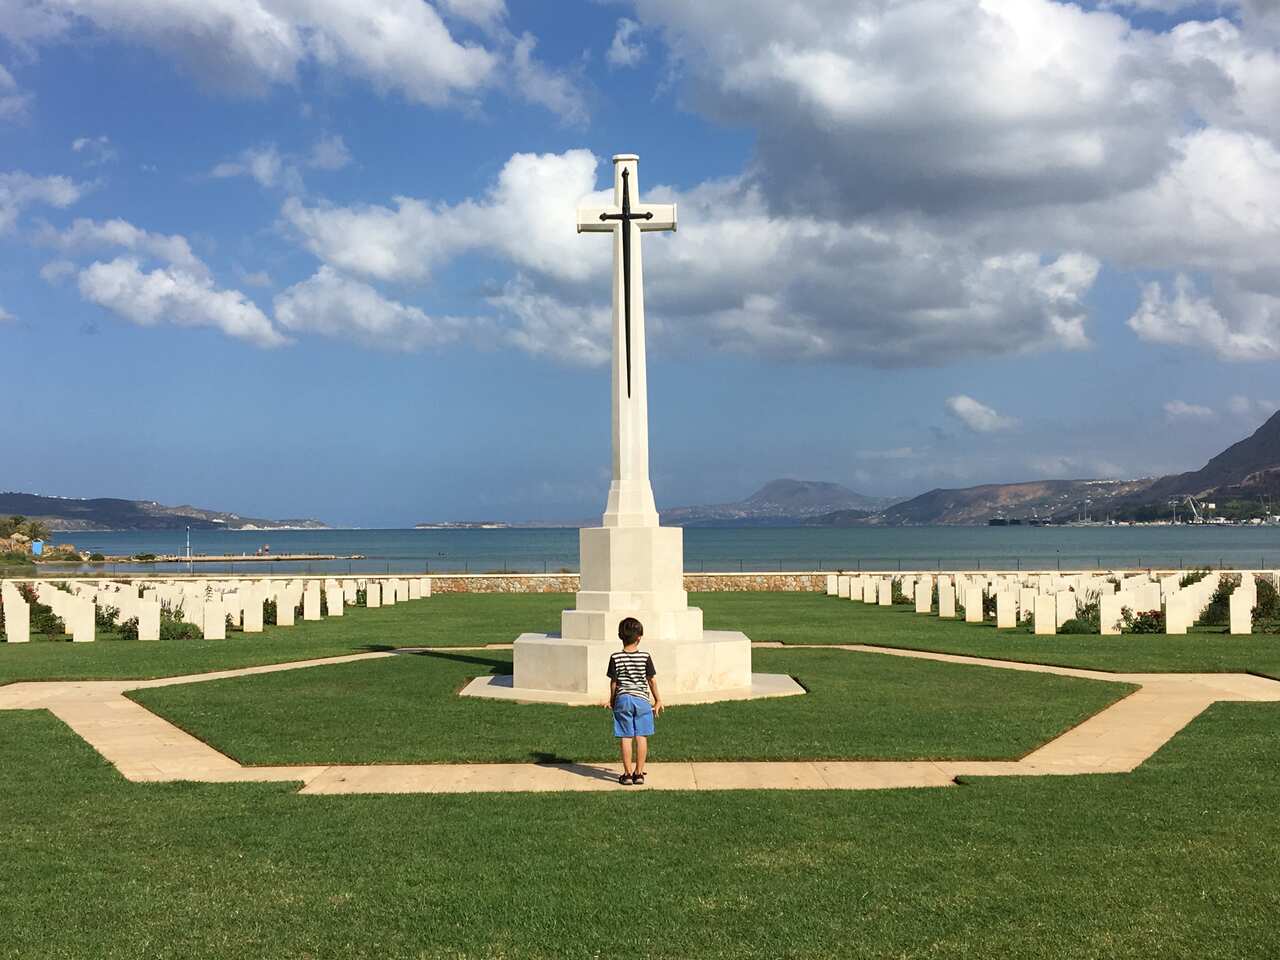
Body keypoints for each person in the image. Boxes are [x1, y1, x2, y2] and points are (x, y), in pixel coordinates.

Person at [607, 617, 663, 786]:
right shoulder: (645, 657)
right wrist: (658, 699)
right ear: (639, 636)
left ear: (620, 636)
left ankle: (627, 774)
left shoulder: (615, 657)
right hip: (642, 700)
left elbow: (614, 682)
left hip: (623, 698)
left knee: (625, 736)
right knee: (641, 736)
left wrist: (612, 700)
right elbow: (651, 680)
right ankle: (639, 773)